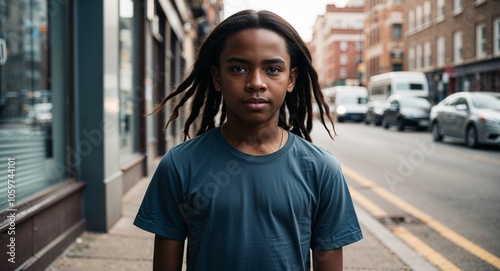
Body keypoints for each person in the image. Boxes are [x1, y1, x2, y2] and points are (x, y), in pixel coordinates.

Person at [134, 9, 363, 271]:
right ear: (218, 77)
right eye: (239, 68)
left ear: (291, 79)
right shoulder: (179, 164)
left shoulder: (322, 170)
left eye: (273, 69)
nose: (256, 83)